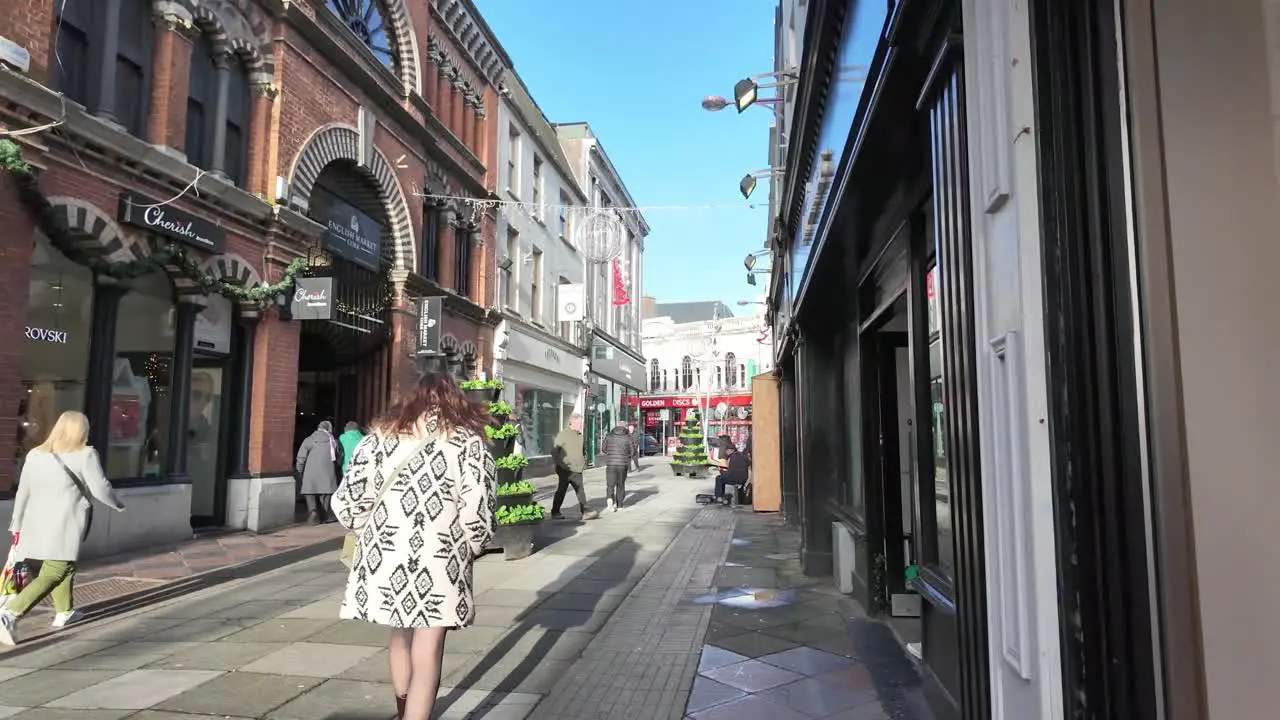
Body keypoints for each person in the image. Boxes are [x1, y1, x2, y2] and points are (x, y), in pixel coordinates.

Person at [330, 371, 496, 720]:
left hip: (386, 553)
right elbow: (478, 513)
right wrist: (471, 546)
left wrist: (369, 529)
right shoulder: (467, 442)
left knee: (400, 633)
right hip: (440, 555)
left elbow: (347, 502)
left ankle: (403, 709)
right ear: (455, 399)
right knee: (429, 645)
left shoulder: (378, 438)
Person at [0, 411, 125, 646]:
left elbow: (23, 491)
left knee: (62, 565)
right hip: (63, 524)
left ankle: (64, 612)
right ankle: (9, 614)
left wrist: (16, 524)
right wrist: (118, 504)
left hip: (33, 523)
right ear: (81, 431)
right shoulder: (85, 454)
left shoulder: (35, 455)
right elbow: (101, 488)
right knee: (56, 569)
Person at [550, 415, 599, 521]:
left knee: (580, 490)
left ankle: (585, 512)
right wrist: (560, 464)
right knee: (562, 490)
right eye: (579, 423)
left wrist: (583, 461)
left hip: (577, 469)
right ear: (572, 422)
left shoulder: (580, 435)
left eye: (581, 424)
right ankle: (555, 512)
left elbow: (582, 450)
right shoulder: (563, 434)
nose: (580, 426)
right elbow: (554, 451)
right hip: (565, 469)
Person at [296, 420, 342, 524]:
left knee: (310, 492)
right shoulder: (333, 441)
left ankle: (313, 511)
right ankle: (324, 515)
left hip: (310, 473)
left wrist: (299, 469)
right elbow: (339, 458)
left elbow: (301, 457)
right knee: (325, 494)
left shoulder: (309, 440)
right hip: (327, 473)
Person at [601, 424, 636, 512]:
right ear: (625, 427)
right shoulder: (628, 437)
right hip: (622, 464)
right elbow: (633, 452)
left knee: (610, 484)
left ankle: (610, 499)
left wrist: (611, 453)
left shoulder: (609, 436)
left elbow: (603, 449)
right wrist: (626, 455)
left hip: (611, 463)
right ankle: (620, 505)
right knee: (620, 484)